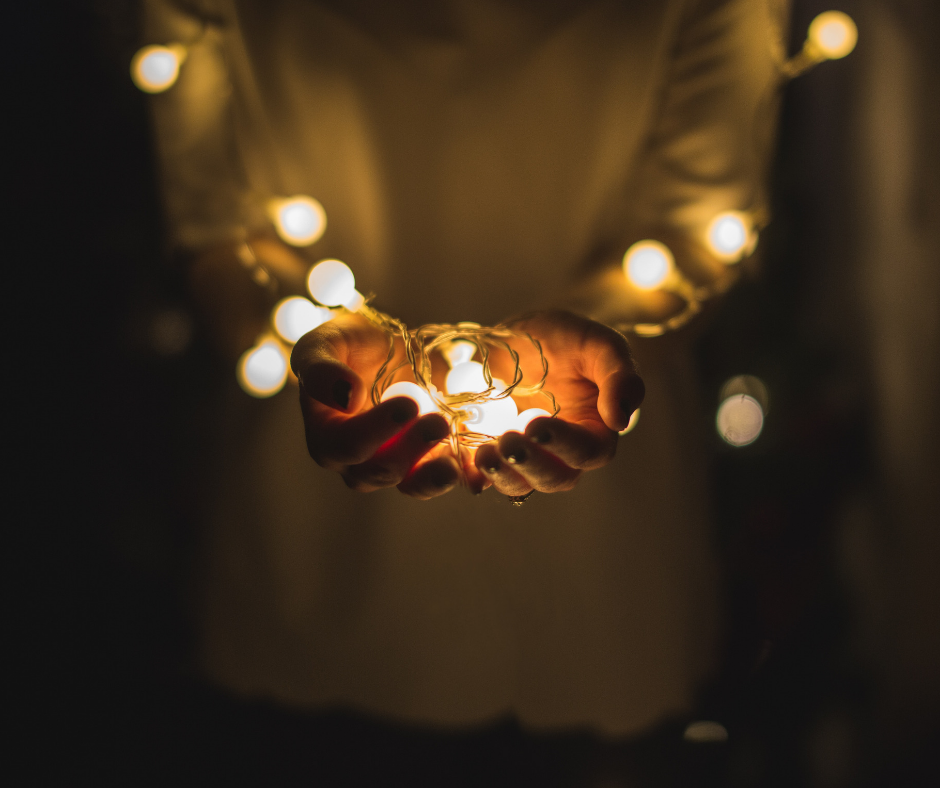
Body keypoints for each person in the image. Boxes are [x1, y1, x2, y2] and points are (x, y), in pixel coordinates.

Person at [143, 0, 785, 740]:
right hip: (312, 559)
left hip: (590, 574)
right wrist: (297, 333)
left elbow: (699, 226)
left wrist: (594, 344)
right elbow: (216, 228)